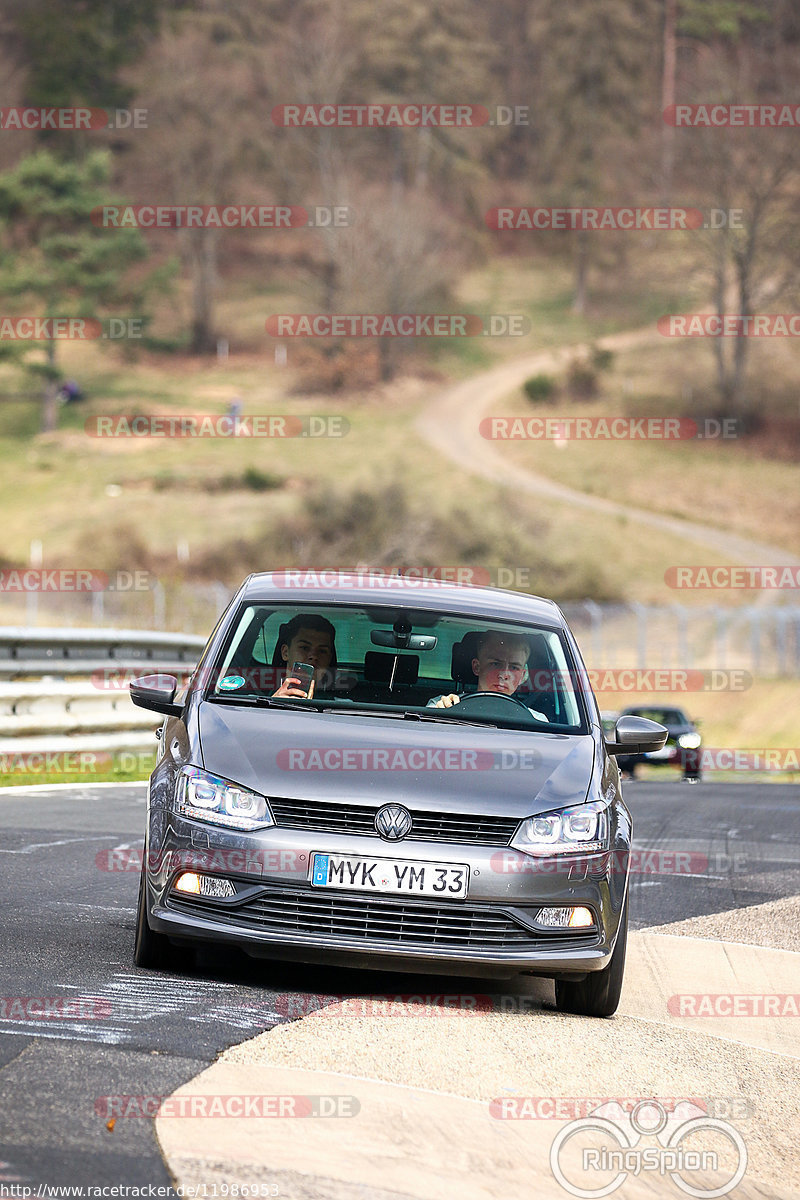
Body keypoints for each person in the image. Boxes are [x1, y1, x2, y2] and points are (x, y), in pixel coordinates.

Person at [429, 631, 545, 719]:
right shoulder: (444, 705)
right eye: (495, 664)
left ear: (522, 676)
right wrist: (441, 714)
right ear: (477, 667)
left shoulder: (536, 719)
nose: (504, 675)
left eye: (514, 667)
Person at [271, 614, 337, 699]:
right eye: (305, 648)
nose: (313, 656)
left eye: (322, 651)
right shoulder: (252, 703)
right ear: (285, 652)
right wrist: (272, 703)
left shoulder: (344, 708)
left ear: (329, 659)